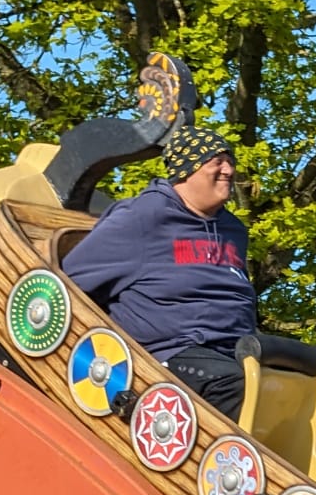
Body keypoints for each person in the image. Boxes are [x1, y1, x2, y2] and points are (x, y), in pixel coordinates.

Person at [62, 121, 256, 418]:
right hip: (169, 355)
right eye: (217, 162)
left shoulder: (233, 231)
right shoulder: (144, 217)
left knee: (294, 383)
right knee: (235, 386)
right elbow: (72, 280)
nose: (229, 170)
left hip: (236, 350)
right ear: (187, 169)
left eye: (230, 161)